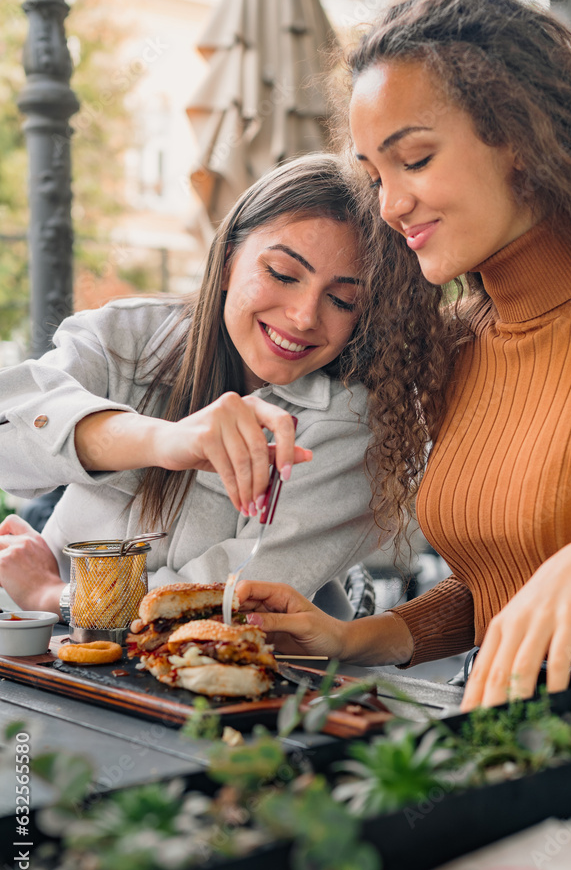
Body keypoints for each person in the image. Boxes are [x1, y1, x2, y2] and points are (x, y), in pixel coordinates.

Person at [235, 0, 571, 708]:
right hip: (498, 723)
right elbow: (499, 584)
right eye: (374, 175)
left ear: (520, 140)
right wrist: (351, 640)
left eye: (415, 159)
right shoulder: (461, 343)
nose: (390, 204)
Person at [0, 154, 391, 619]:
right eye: (283, 275)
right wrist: (159, 440)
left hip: (237, 682)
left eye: (342, 300)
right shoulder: (127, 335)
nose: (305, 316)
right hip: (48, 658)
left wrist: (52, 595)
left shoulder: (353, 425)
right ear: (227, 260)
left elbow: (221, 606)